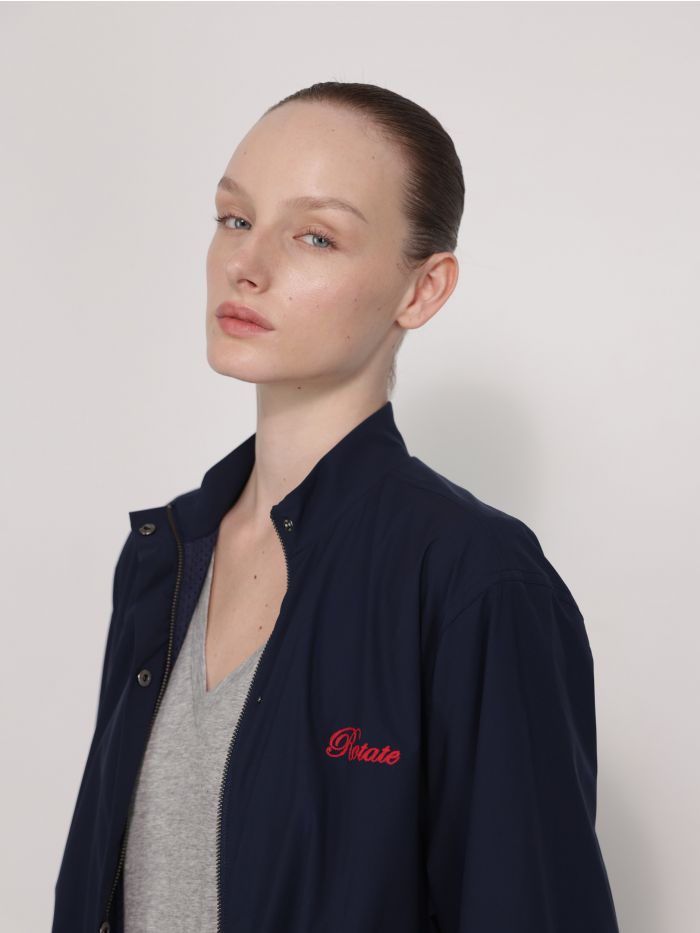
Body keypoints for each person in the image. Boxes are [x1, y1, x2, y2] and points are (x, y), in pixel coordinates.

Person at [52, 82, 620, 933]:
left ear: (422, 290)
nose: (247, 264)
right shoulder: (163, 557)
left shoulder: (475, 581)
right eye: (235, 218)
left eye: (315, 235)